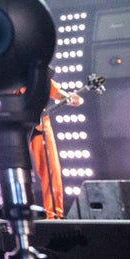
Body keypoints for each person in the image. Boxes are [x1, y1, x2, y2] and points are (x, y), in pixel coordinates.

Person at [31, 78, 82, 219]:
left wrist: (74, 99)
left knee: (51, 171)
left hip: (38, 126)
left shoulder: (35, 73)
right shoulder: (1, 73)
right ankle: (13, 216)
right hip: (10, 127)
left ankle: (54, 216)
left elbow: (60, 94)